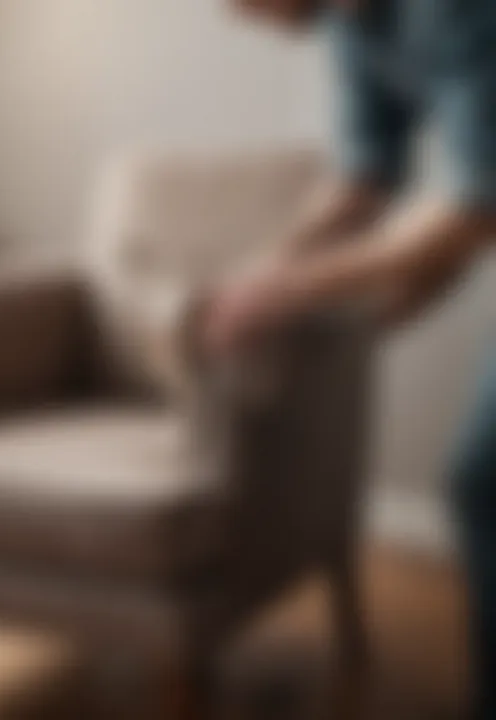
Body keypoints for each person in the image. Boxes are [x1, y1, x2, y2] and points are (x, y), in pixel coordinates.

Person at [207, 1, 495, 717]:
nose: (233, 16)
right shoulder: (351, 29)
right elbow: (363, 180)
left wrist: (292, 287)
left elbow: (477, 206)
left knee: (482, 479)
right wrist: (267, 266)